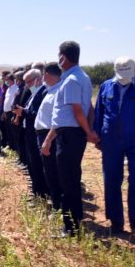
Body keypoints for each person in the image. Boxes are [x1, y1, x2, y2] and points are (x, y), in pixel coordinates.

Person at [41, 41, 99, 236]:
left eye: (59, 55)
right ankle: (75, 219)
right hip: (72, 134)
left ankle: (70, 227)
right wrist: (88, 129)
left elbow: (76, 110)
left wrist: (88, 131)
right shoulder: (82, 77)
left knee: (68, 181)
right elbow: (88, 108)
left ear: (63, 57)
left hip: (69, 135)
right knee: (72, 178)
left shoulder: (72, 80)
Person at [93, 57, 135, 234]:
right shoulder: (106, 86)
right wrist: (97, 135)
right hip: (110, 139)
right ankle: (116, 221)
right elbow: (99, 112)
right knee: (111, 179)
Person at [14, 69, 49, 200]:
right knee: (32, 164)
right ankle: (36, 191)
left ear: (38, 79)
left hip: (36, 134)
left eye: (29, 81)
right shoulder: (34, 93)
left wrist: (23, 112)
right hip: (29, 132)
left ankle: (40, 194)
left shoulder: (44, 93)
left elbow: (39, 115)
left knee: (37, 166)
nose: (27, 85)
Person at [35, 63, 63, 211]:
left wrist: (48, 140)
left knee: (53, 172)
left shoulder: (58, 91)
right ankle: (56, 203)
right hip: (44, 134)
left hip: (49, 136)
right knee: (49, 171)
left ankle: (58, 205)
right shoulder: (51, 90)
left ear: (46, 75)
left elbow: (57, 120)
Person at [2, 74, 19, 152]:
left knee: (13, 130)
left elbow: (15, 101)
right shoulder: (8, 89)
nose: (6, 82)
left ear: (11, 80)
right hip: (6, 112)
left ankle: (15, 147)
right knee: (8, 130)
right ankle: (10, 145)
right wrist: (4, 112)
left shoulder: (16, 88)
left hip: (12, 112)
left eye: (7, 80)